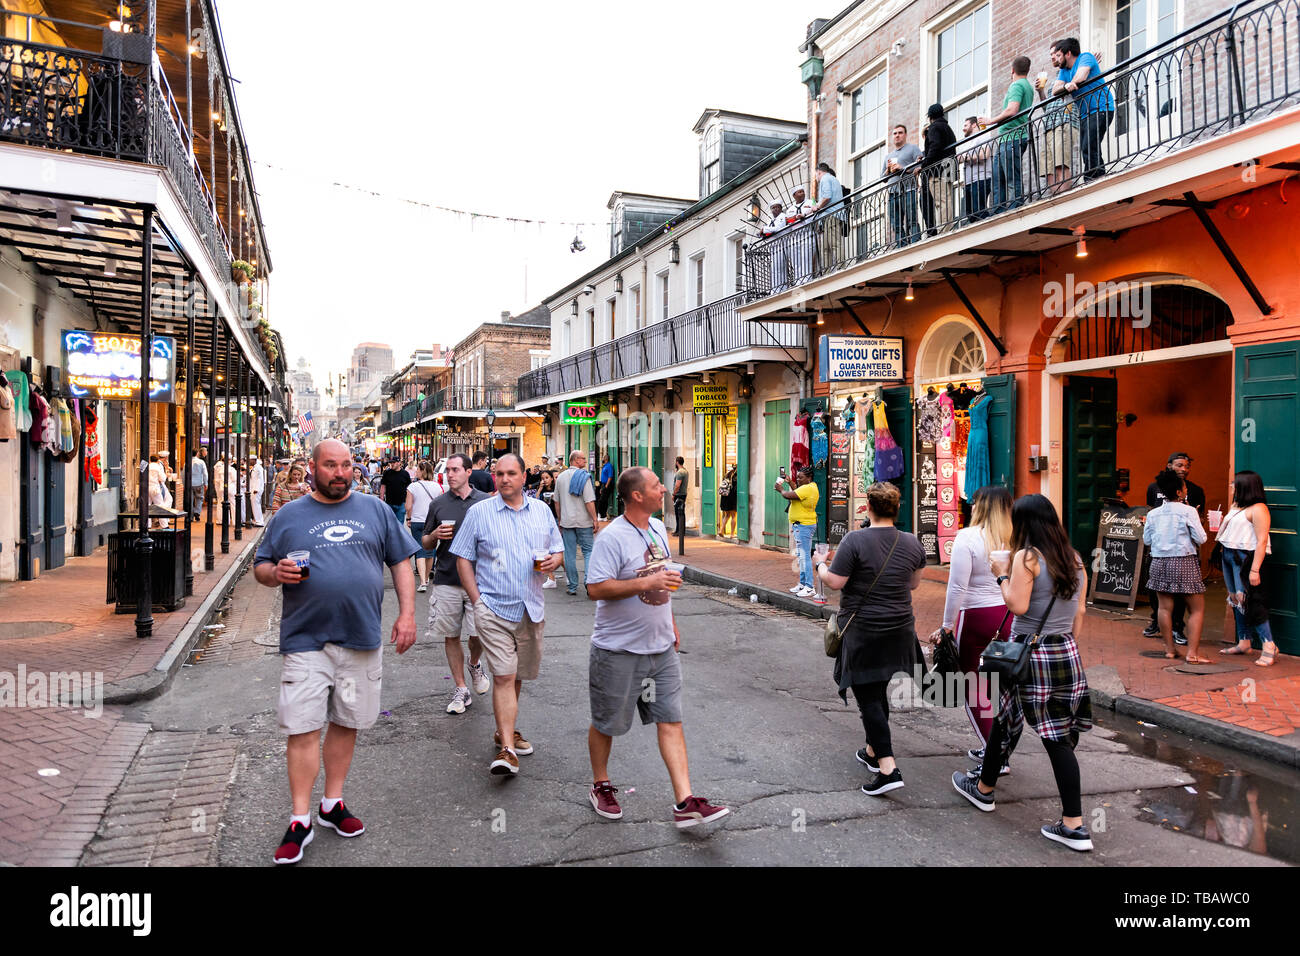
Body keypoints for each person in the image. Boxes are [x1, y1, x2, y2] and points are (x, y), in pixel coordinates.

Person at [253, 439, 418, 865]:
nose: (340, 472)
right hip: (306, 639)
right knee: (303, 726)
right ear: (313, 468)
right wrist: (276, 572)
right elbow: (261, 567)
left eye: (346, 465)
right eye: (331, 465)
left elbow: (401, 561)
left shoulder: (375, 510)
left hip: (361, 636)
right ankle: (299, 819)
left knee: (347, 722)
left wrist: (407, 615)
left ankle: (333, 803)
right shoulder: (289, 515)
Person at [584, 466, 730, 828]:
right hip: (618, 649)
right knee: (607, 723)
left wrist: (671, 622)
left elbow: (662, 580)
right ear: (637, 495)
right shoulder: (612, 537)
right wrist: (643, 582)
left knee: (670, 720)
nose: (664, 489)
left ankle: (685, 801)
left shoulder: (657, 529)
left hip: (660, 648)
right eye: (656, 485)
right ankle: (600, 783)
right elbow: (596, 588)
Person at [952, 493, 1094, 853]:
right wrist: (1063, 644)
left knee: (1052, 737)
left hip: (1030, 653)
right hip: (1064, 650)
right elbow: (1079, 615)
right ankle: (984, 788)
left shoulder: (1026, 557)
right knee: (1008, 719)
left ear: (1024, 523)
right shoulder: (1075, 560)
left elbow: (1017, 605)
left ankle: (1074, 825)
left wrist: (1001, 575)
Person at [452, 453, 564, 776]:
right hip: (494, 610)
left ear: (524, 475)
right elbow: (463, 558)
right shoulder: (479, 513)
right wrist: (477, 601)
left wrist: (553, 563)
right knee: (502, 675)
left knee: (516, 676)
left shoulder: (541, 511)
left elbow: (557, 550)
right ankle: (507, 751)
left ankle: (505, 729)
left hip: (531, 608)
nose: (504, 479)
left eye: (511, 473)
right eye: (498, 473)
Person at [818, 482, 926, 796]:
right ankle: (871, 751)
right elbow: (914, 584)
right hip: (901, 628)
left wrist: (821, 566)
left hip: (865, 629)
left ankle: (889, 768)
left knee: (868, 697)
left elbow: (836, 582)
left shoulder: (854, 540)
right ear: (896, 507)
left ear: (868, 506)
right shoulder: (911, 542)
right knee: (877, 690)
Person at [931, 485, 1014, 776]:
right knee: (998, 685)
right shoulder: (1015, 538)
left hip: (975, 616)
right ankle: (996, 744)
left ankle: (996, 757)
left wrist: (946, 626)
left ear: (980, 506)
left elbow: (957, 586)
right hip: (1007, 616)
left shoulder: (967, 537)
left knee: (973, 687)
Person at [421, 453, 492, 715]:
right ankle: (461, 688)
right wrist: (435, 535)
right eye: (447, 470)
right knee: (451, 635)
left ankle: (474, 663)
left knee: (478, 633)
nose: (449, 474)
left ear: (468, 472)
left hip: (478, 580)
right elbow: (425, 542)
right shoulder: (438, 504)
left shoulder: (485, 502)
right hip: (447, 578)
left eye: (455, 470)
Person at [1143, 469, 1209, 662]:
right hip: (1183, 561)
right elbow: (1202, 538)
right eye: (1185, 488)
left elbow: (1147, 540)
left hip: (1159, 561)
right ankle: (1192, 653)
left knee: (1164, 608)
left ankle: (1170, 650)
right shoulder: (1188, 511)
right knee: (1196, 609)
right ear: (1180, 493)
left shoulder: (1153, 514)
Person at [1217, 471, 1278, 666]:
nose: (1232, 486)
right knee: (1236, 598)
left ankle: (1269, 645)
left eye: (1235, 483)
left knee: (1251, 601)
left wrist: (1254, 570)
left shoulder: (1259, 509)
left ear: (1245, 486)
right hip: (1228, 553)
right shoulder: (1237, 506)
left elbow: (1261, 541)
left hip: (1244, 558)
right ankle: (1244, 641)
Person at [1051, 37, 1114, 182]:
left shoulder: (1085, 57)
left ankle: (1094, 178)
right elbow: (1055, 89)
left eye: (1059, 55)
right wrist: (1066, 86)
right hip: (1085, 113)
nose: (1057, 59)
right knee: (1087, 147)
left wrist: (1071, 84)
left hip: (1101, 107)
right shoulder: (1064, 71)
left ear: (1068, 54)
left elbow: (1081, 76)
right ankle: (1094, 176)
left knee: (1089, 144)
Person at [980, 56, 1035, 214]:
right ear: (1027, 70)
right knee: (998, 179)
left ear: (1012, 70)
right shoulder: (1028, 87)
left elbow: (1012, 109)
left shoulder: (1016, 85)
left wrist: (991, 121)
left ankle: (1014, 208)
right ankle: (998, 211)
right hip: (1008, 138)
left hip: (1012, 138)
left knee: (1010, 178)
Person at [1034, 46, 1078, 195]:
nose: (1052, 57)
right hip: (1049, 125)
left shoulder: (1072, 71)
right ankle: (1054, 198)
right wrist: (1041, 91)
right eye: (1051, 54)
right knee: (1048, 169)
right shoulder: (1055, 80)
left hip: (1064, 120)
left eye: (1055, 54)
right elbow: (1047, 107)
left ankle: (1063, 197)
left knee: (1061, 164)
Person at [556, 450, 599, 595]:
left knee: (569, 553)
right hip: (584, 521)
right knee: (588, 551)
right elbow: (589, 500)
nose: (585, 461)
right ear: (575, 460)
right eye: (583, 459)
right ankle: (588, 581)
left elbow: (557, 500)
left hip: (567, 521)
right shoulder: (584, 477)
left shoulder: (561, 477)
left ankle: (572, 586)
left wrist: (560, 518)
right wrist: (594, 519)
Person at [776, 466, 820, 599]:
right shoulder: (810, 487)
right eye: (797, 477)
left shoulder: (808, 488)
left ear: (809, 478)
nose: (798, 480)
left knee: (804, 556)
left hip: (804, 526)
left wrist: (781, 488)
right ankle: (802, 584)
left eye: (801, 477)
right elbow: (797, 491)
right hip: (801, 526)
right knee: (802, 556)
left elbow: (788, 495)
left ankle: (809, 587)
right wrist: (790, 482)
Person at [405, 460, 442, 593]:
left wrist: (409, 518)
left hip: (417, 520)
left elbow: (408, 506)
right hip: (432, 521)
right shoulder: (437, 487)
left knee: (419, 550)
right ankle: (426, 578)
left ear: (422, 471)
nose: (416, 472)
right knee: (430, 550)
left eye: (418, 470)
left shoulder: (412, 487)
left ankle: (422, 581)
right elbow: (440, 505)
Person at [920, 104, 957, 237]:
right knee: (946, 199)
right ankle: (947, 228)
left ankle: (944, 232)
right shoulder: (948, 128)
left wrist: (924, 164)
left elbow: (935, 146)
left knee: (941, 202)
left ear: (930, 117)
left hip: (937, 170)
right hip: (949, 166)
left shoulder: (934, 127)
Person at [882, 127, 922, 246]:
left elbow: (920, 166)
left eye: (900, 133)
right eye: (895, 133)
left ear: (905, 135)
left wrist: (902, 168)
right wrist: (888, 172)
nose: (897, 135)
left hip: (908, 189)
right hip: (892, 192)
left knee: (912, 220)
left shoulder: (913, 148)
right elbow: (882, 179)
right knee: (896, 223)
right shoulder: (888, 156)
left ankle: (915, 242)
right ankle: (902, 245)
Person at [528, 469, 560, 590]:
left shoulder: (556, 489)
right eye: (542, 478)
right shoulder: (541, 489)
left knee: (556, 549)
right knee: (546, 549)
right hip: (543, 521)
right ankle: (551, 578)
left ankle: (566, 575)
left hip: (555, 519)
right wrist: (540, 489)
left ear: (552, 478)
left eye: (547, 478)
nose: (544, 480)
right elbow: (535, 501)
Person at [811, 162, 847, 271]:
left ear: (819, 172)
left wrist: (817, 206)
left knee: (835, 244)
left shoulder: (825, 179)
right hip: (830, 216)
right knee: (825, 248)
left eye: (816, 175)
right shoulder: (833, 179)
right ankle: (826, 272)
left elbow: (826, 197)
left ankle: (841, 268)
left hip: (832, 215)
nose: (816, 178)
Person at [959, 116, 993, 222]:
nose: (963, 128)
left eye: (965, 125)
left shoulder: (983, 135)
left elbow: (984, 155)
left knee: (979, 211)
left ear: (974, 125)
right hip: (969, 182)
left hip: (981, 178)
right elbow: (958, 158)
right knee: (970, 214)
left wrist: (965, 157)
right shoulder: (966, 142)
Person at [760, 200, 790, 294]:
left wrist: (764, 229)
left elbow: (778, 228)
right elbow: (769, 232)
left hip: (781, 244)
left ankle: (782, 287)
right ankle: (775, 288)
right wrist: (762, 233)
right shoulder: (770, 221)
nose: (775, 209)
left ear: (781, 208)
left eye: (777, 207)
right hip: (773, 246)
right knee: (775, 269)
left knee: (781, 266)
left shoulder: (782, 216)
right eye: (773, 208)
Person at [788, 185, 815, 284]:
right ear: (794, 195)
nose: (802, 193)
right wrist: (795, 217)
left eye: (803, 191)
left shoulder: (810, 202)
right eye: (799, 192)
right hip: (795, 235)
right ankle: (798, 280)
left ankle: (807, 279)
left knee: (806, 257)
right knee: (796, 260)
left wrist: (803, 216)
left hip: (807, 232)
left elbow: (814, 212)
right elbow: (788, 221)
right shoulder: (790, 209)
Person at [380, 458, 411, 525]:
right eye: (391, 463)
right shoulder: (387, 473)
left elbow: (409, 488)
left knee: (399, 524)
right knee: (389, 523)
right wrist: (381, 498)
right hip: (389, 502)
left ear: (399, 463)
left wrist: (408, 501)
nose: (392, 464)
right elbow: (383, 486)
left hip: (401, 503)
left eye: (394, 462)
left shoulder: (405, 474)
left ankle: (398, 535)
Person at [718, 464, 738, 538]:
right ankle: (732, 534)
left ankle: (721, 530)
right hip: (732, 497)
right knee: (733, 515)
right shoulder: (736, 476)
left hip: (725, 497)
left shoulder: (727, 474)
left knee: (727, 515)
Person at [671, 456, 688, 538]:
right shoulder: (685, 471)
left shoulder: (679, 472)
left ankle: (679, 531)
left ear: (677, 462)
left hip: (678, 494)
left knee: (678, 513)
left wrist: (673, 494)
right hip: (684, 494)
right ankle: (681, 530)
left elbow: (677, 485)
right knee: (681, 513)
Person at [247, 454, 266, 527]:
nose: (249, 461)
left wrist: (256, 489)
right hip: (253, 488)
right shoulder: (255, 467)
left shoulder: (258, 468)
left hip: (256, 489)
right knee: (254, 505)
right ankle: (256, 519)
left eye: (250, 460)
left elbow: (259, 479)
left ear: (254, 460)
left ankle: (259, 521)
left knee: (256, 505)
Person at [596, 453, 615, 521]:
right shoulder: (605, 466)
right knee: (603, 500)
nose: (602, 459)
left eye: (603, 458)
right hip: (603, 484)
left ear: (606, 459)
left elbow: (610, 477)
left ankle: (601, 515)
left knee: (602, 500)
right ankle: (603, 515)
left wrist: (606, 486)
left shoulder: (609, 466)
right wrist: (602, 487)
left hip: (607, 485)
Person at [190, 447, 208, 521]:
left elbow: (183, 473)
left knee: (190, 499)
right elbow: (205, 473)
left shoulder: (187, 462)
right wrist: (206, 483)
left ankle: (190, 515)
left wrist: (184, 483)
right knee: (199, 498)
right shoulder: (201, 462)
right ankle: (197, 512)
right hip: (199, 483)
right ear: (197, 453)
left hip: (190, 483)